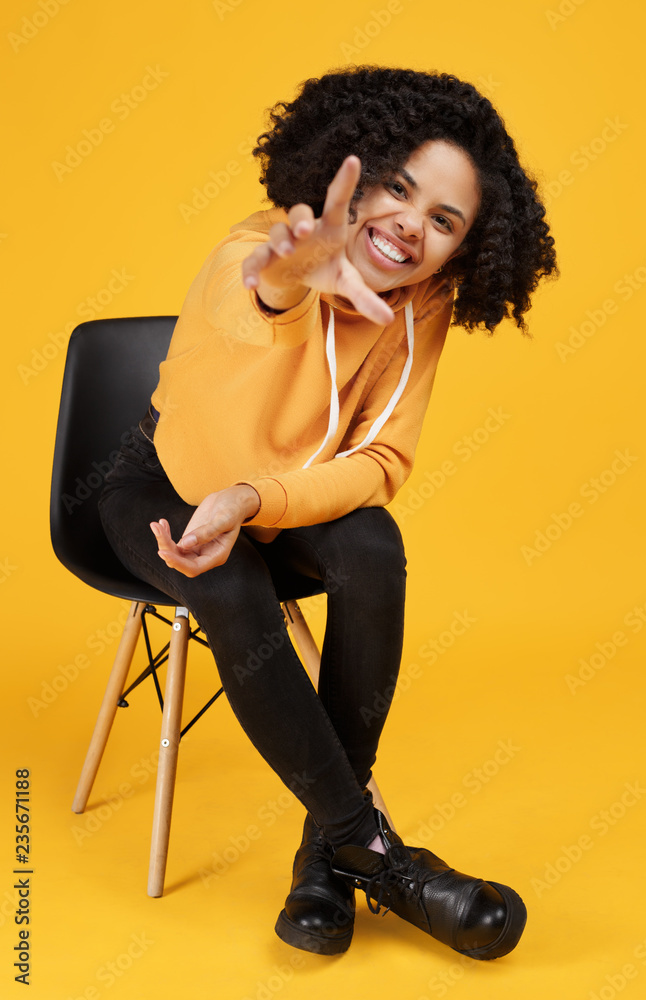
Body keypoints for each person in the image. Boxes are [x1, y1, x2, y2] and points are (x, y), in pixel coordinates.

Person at [98, 65, 557, 959]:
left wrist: (256, 499)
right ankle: (373, 851)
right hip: (164, 484)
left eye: (444, 221)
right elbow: (252, 316)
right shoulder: (255, 254)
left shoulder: (423, 303)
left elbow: (379, 463)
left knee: (372, 545)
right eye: (398, 189)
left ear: (463, 250)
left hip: (272, 497)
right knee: (229, 584)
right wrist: (288, 289)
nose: (411, 225)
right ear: (356, 168)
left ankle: (326, 855)